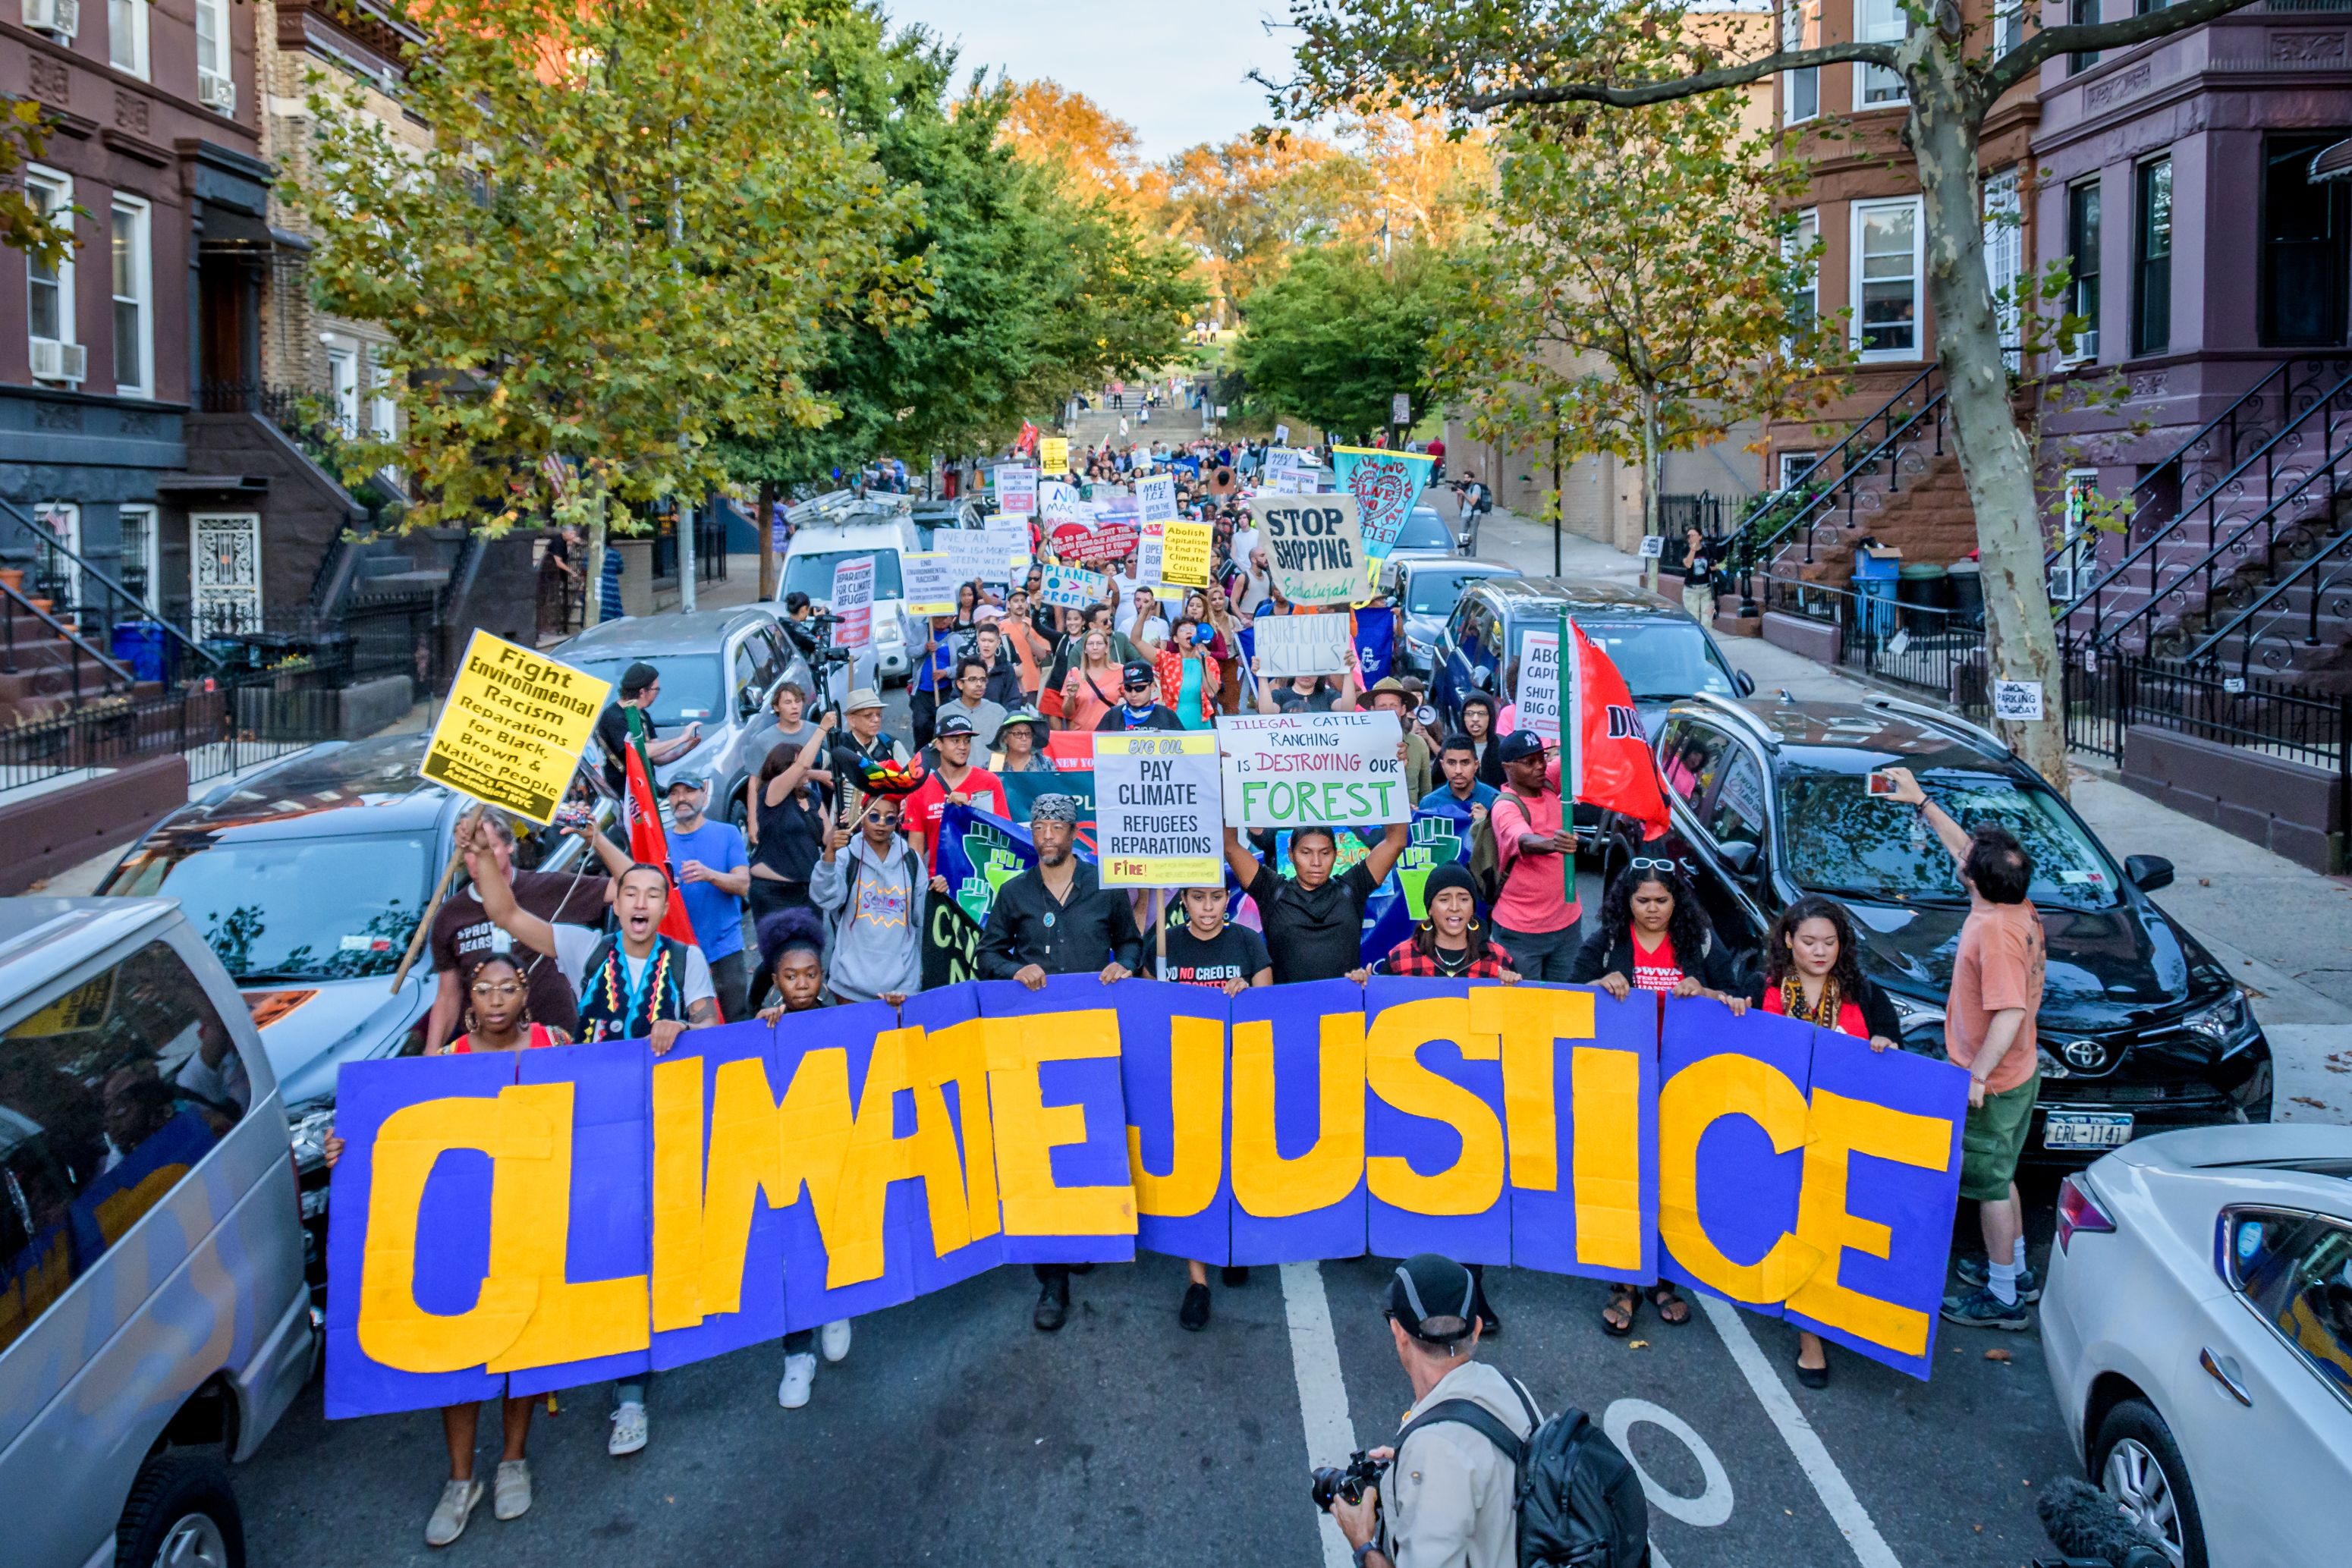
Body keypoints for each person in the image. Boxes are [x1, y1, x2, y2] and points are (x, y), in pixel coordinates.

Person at [465, 847, 718, 1458]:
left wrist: (683, 1027)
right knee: (596, 1245)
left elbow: (714, 1029)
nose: (639, 903)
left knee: (641, 1253)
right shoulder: (584, 949)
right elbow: (504, 910)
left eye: (652, 894)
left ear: (664, 907)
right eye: (629, 891)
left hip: (657, 1130)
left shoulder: (687, 959)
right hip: (591, 1130)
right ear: (617, 901)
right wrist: (480, 859)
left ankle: (629, 1396)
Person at [320, 952, 567, 1546]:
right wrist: (343, 1150)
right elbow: (391, 1131)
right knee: (455, 1352)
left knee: (521, 1343)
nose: (498, 1000)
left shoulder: (555, 1045)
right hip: (460, 1229)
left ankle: (512, 1458)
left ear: (525, 991)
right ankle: (460, 1479)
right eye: (485, 990)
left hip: (533, 1218)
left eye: (509, 987)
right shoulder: (440, 1062)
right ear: (470, 998)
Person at [1882, 767, 2046, 1332]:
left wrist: (1976, 1075)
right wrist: (1923, 802)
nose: (1962, 857)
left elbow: (2010, 1012)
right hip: (2021, 1074)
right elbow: (1967, 851)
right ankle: (2015, 1269)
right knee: (2003, 1174)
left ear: (1973, 880)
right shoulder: (2012, 903)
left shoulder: (1992, 935)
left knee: (1989, 1184)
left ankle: (2003, 1297)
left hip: (1994, 1083)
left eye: (1968, 861)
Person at [976, 793, 1142, 1332]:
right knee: (1044, 1150)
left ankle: (1085, 1235)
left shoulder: (1104, 885)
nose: (1047, 833)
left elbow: (1131, 942)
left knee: (1092, 1139)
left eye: (1057, 825)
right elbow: (987, 952)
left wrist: (1124, 966)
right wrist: (1014, 969)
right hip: (1034, 1042)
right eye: (1040, 824)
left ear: (1074, 831)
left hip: (1094, 1039)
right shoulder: (1014, 892)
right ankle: (1052, 1278)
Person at [1571, 856, 1746, 1337]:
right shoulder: (1608, 942)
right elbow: (1566, 995)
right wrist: (1598, 985)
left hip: (1685, 1082)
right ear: (1625, 901)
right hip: (1623, 1080)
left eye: (1662, 901)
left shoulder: (1699, 941)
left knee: (1673, 1181)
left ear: (1677, 901)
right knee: (1625, 1177)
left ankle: (1666, 1278)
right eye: (1642, 900)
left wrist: (1706, 991)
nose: (1652, 910)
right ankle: (1623, 1282)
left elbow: (1736, 996)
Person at [1743, 895, 1902, 1387]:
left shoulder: (1866, 993)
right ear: (1787, 939)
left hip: (1843, 1135)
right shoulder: (1760, 987)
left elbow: (1897, 1051)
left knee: (1833, 1229)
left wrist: (1885, 1047)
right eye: (1809, 940)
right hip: (1782, 1133)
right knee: (1798, 1227)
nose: (1819, 951)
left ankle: (1833, 1310)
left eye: (1829, 942)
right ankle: (1810, 1335)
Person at [1325, 1253, 1536, 1568]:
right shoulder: (1512, 1389)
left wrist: (1362, 1543)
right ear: (1476, 1330)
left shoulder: (1435, 1452)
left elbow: (1451, 1458)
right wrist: (1409, 1468)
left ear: (1399, 1333)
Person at [749, 908, 857, 1409]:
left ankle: (836, 1307)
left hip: (832, 1150)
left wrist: (892, 1008)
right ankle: (797, 1354)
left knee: (831, 1236)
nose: (801, 984)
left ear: (824, 974)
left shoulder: (839, 1012)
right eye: (790, 976)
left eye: (810, 974)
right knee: (790, 1253)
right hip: (783, 1160)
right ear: (775, 979)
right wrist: (758, 1033)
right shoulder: (761, 1021)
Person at [1149, 882, 1269, 1331]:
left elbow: (1267, 1011)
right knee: (1197, 1178)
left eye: (1216, 898)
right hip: (1187, 1075)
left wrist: (1247, 996)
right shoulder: (1166, 944)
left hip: (1237, 1073)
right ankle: (1198, 1282)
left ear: (1227, 902)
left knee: (1240, 1166)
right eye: (1197, 898)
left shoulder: (1247, 941)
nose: (1207, 907)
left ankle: (1233, 1246)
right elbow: (1145, 1008)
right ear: (1183, 902)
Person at [426, 810, 610, 1054]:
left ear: (510, 847)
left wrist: (598, 841)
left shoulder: (546, 888)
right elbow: (448, 995)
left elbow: (628, 889)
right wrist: (430, 1054)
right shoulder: (450, 916)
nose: (480, 856)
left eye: (489, 847)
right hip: (486, 1052)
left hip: (553, 1044)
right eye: (471, 850)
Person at [1222, 816, 1411, 987]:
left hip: (1344, 1011)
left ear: (1335, 854)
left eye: (1324, 853)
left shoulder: (1353, 888)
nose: (1316, 862)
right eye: (1306, 853)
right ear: (1291, 854)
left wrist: (1395, 788)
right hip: (1289, 1012)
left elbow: (1396, 842)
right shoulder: (1271, 890)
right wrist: (1225, 794)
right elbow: (1230, 847)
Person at [1486, 731, 1583, 982]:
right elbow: (1524, 839)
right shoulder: (1505, 807)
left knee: (1566, 1002)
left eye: (1542, 758)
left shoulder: (1547, 781)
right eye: (1529, 762)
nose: (1540, 766)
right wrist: (1553, 843)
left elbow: (1575, 749)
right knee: (1528, 1006)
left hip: (1567, 925)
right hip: (1520, 932)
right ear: (1507, 768)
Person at [809, 794, 923, 1007]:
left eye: (889, 818)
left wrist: (938, 890)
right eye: (873, 816)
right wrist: (830, 854)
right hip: (850, 987)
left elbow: (923, 917)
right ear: (861, 817)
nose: (881, 823)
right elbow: (824, 897)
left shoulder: (912, 861)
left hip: (902, 988)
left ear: (898, 820)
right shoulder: (846, 857)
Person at [745, 735, 831, 1005]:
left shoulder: (812, 799)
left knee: (807, 955)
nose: (805, 770)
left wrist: (842, 829)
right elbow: (804, 762)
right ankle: (754, 1006)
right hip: (774, 893)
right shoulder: (771, 795)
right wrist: (822, 728)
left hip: (807, 890)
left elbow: (826, 837)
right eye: (798, 766)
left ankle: (804, 1010)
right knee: (778, 956)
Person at [662, 775, 753, 1017]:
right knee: (691, 1028)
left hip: (725, 948)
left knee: (735, 1019)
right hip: (679, 952)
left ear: (704, 794)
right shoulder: (661, 845)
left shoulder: (728, 833)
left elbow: (743, 885)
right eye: (674, 793)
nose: (681, 798)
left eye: (689, 791)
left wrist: (709, 875)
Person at [1372, 863, 1517, 982]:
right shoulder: (1401, 957)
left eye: (1464, 899)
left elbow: (1515, 1014)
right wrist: (1362, 987)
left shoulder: (1497, 958)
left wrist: (1513, 988)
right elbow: (1379, 1009)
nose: (1455, 908)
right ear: (1430, 909)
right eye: (1444, 899)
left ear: (1473, 907)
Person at [904, 714, 1008, 877]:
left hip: (980, 883)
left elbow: (1004, 839)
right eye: (955, 740)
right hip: (938, 885)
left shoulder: (990, 782)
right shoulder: (921, 788)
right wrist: (921, 889)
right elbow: (915, 850)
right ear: (939, 744)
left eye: (967, 740)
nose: (963, 746)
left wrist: (971, 812)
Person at [595, 661, 701, 794]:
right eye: (656, 690)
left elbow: (657, 758)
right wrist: (681, 738)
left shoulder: (643, 715)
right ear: (642, 692)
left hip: (646, 789)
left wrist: (686, 748)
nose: (657, 694)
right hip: (624, 792)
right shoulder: (613, 717)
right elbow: (641, 751)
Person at [1341, 677, 1433, 801]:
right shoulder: (1360, 745)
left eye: (1394, 705)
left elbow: (1426, 792)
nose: (1388, 711)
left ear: (1403, 709)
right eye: (1382, 706)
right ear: (1373, 710)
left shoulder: (1418, 744)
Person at [932, 655, 1010, 750]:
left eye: (983, 679)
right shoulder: (946, 712)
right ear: (960, 684)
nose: (979, 684)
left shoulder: (998, 712)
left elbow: (1004, 749)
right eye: (972, 680)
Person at [1154, 620, 1222, 730]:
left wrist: (1202, 660)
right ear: (1176, 638)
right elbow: (1136, 641)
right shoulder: (1168, 661)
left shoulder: (1209, 662)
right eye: (1184, 629)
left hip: (1200, 723)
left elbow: (1211, 692)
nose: (1189, 632)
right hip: (1173, 721)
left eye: (1193, 629)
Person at [1058, 628, 1126, 734]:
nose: (1095, 647)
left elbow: (1133, 703)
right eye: (1090, 644)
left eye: (1099, 643)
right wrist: (1071, 697)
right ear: (1084, 649)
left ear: (1107, 648)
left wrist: (1124, 705)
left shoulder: (1120, 671)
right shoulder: (1075, 673)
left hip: (1112, 735)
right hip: (1083, 735)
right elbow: (1067, 713)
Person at [909, 613, 960, 748]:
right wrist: (924, 648)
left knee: (944, 726)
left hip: (946, 691)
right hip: (923, 691)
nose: (941, 621)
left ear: (951, 619)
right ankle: (921, 759)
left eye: (945, 617)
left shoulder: (956, 639)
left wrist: (946, 672)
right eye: (937, 617)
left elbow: (963, 666)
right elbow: (909, 652)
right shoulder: (921, 631)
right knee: (921, 725)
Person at [1096, 659, 1186, 732]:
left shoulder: (1167, 716)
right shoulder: (1113, 716)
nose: (1133, 694)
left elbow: (1183, 749)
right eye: (1128, 688)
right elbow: (1096, 747)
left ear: (1152, 687)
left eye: (1139, 688)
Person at [1458, 693, 1504, 790]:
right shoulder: (1453, 747)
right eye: (1470, 714)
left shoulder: (1502, 746)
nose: (1475, 719)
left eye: (1481, 714)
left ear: (1490, 716)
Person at [1678, 525, 1717, 626]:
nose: (1691, 538)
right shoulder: (1685, 550)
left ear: (1700, 537)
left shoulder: (1707, 550)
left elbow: (1714, 564)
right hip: (1691, 590)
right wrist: (1693, 550)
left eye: (1693, 535)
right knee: (1693, 621)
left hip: (1706, 590)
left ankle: (1704, 641)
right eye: (1689, 536)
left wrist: (1714, 567)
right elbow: (1688, 564)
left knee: (1707, 622)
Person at [992, 709, 1054, 774]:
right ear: (1005, 738)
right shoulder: (994, 765)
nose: (1024, 738)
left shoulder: (1045, 764)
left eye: (1028, 733)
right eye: (1018, 733)